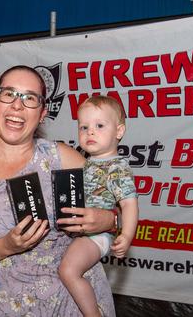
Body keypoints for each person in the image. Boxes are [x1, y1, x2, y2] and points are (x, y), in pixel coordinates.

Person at [0, 65, 118, 316]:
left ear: (43, 112)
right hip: (2, 306)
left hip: (74, 306)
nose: (17, 106)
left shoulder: (61, 157)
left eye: (30, 98)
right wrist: (6, 246)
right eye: (8, 94)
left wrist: (109, 219)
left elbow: (117, 205)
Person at [58, 95, 139, 316]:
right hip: (82, 233)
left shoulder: (117, 167)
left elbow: (129, 204)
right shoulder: (87, 163)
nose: (90, 132)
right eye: (83, 127)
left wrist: (127, 235)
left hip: (97, 236)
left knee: (69, 270)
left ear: (119, 131)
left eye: (99, 125)